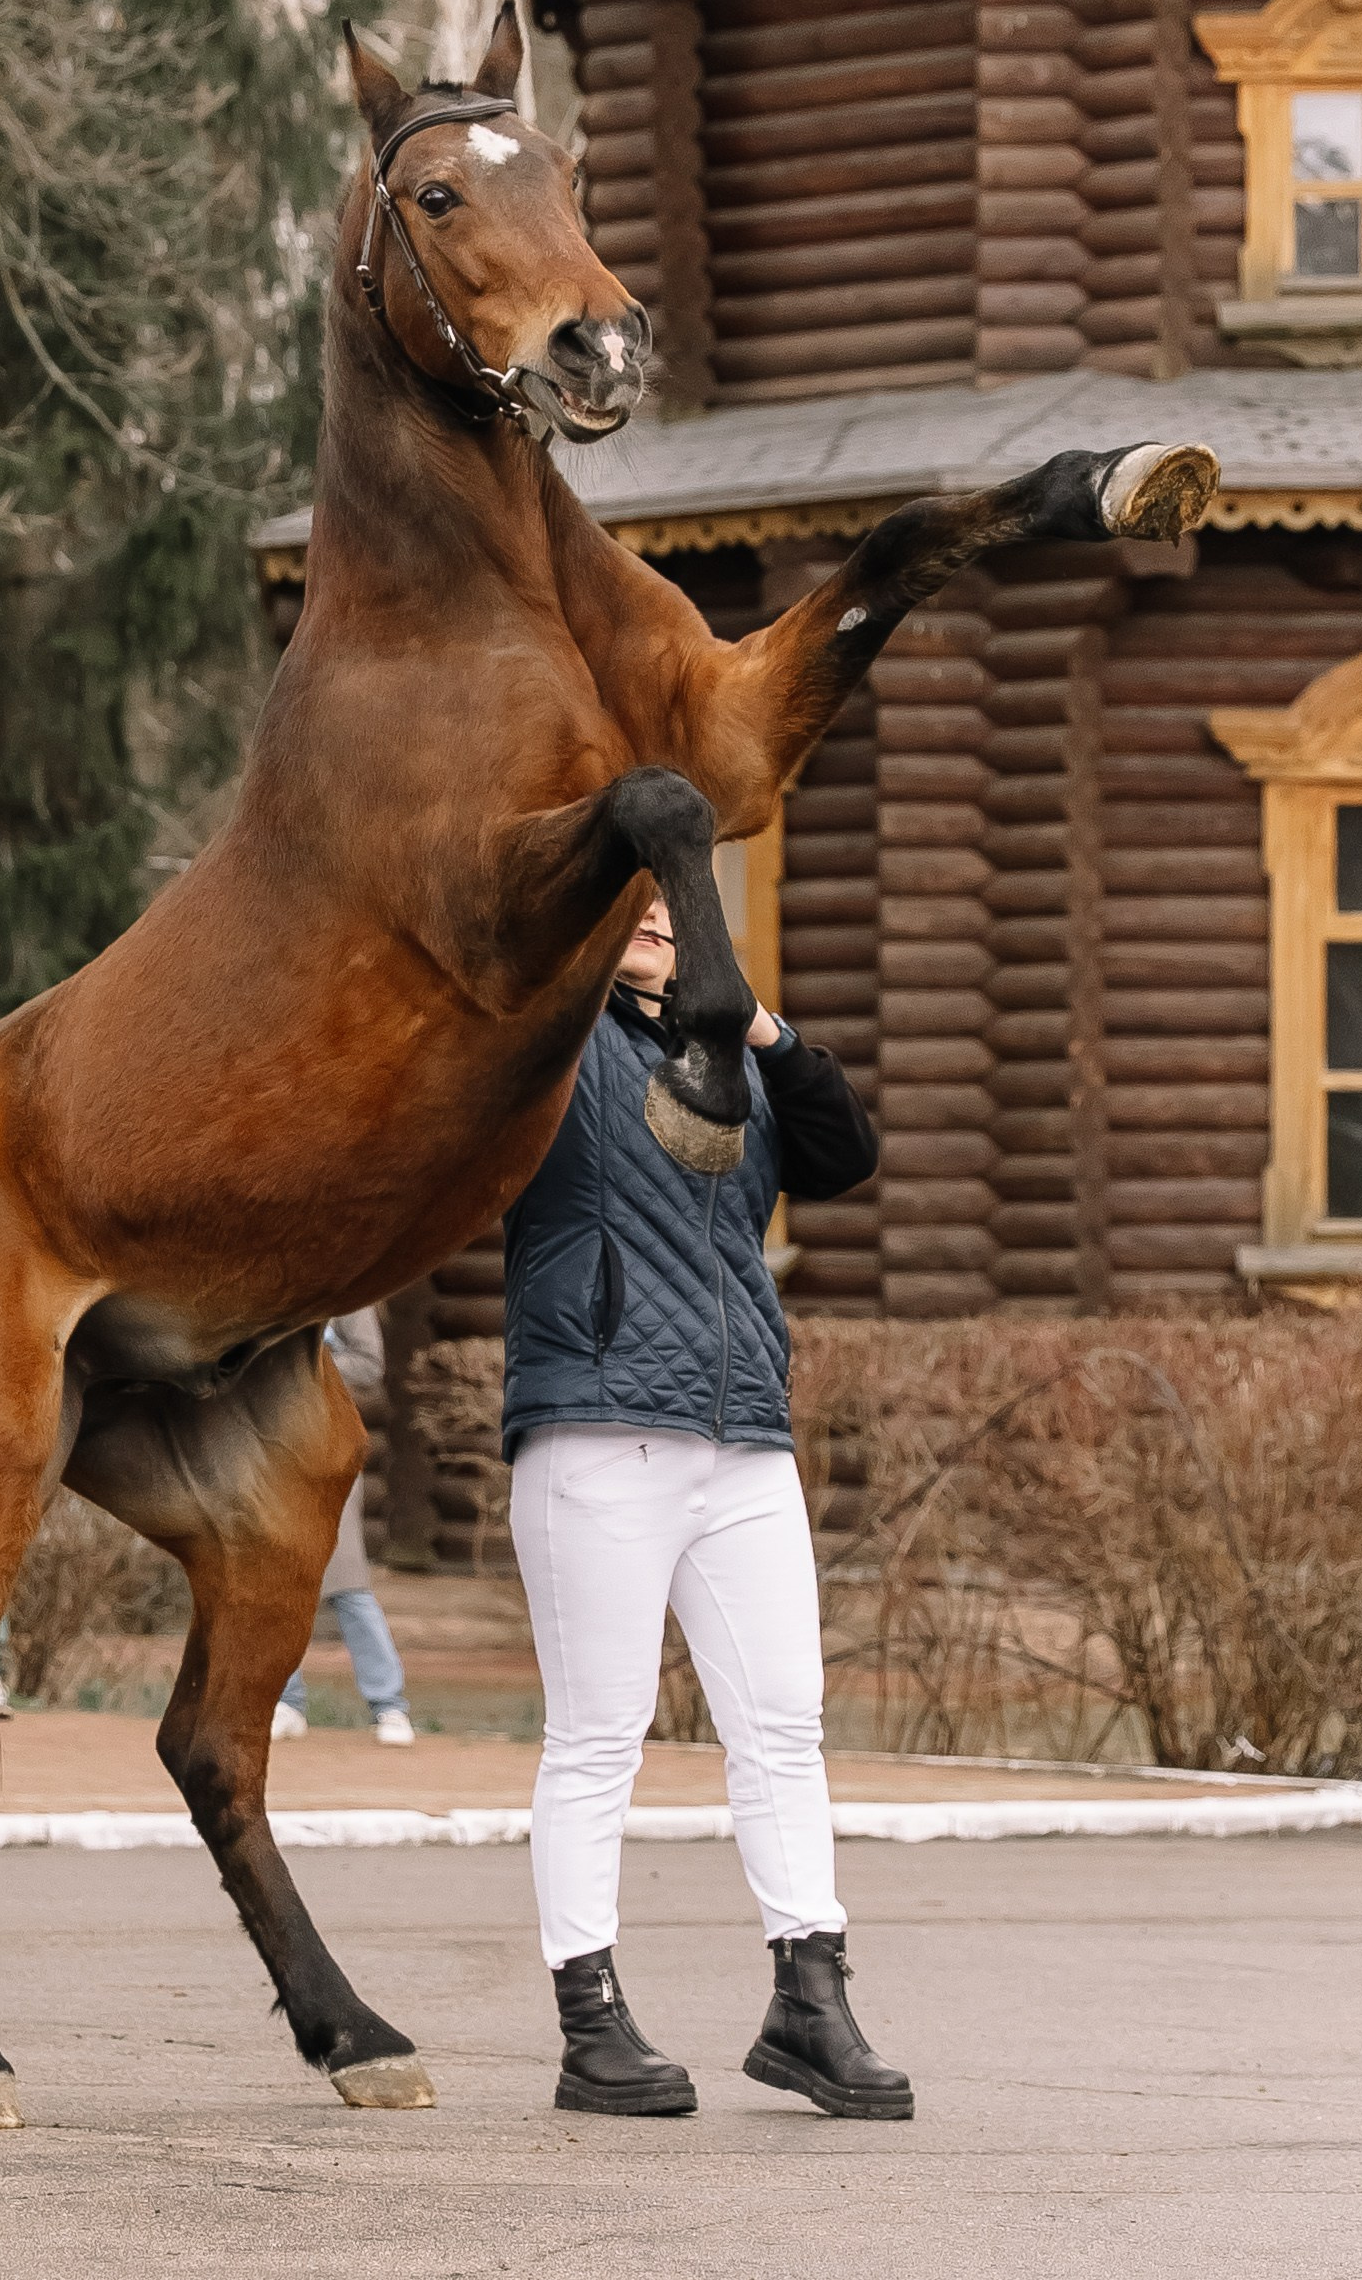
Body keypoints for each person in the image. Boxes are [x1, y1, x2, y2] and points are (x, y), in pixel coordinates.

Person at [502, 897, 913, 2123]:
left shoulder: (731, 1061)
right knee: (598, 1738)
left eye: (678, 901)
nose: (655, 913)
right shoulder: (549, 1046)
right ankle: (590, 2023)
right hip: (596, 1423)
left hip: (743, 1440)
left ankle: (810, 1999)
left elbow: (846, 1153)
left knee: (785, 1724)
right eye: (627, 894)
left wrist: (764, 1027)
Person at [271, 1307, 414, 1747]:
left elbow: (369, 1364)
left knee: (348, 1584)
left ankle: (389, 1707)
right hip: (273, 1449)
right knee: (279, 1581)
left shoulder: (351, 1294)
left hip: (330, 1449)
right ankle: (287, 1702)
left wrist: (298, 1365)